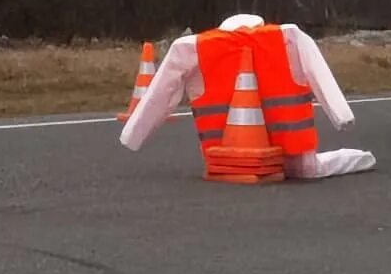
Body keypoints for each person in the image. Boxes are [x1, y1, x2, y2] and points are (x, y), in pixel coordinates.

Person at [119, 13, 376, 180]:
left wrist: (134, 135)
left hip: (224, 158)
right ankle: (363, 157)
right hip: (292, 154)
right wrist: (342, 116)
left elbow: (160, 93)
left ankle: (361, 157)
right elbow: (319, 73)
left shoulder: (193, 47)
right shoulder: (288, 36)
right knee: (310, 170)